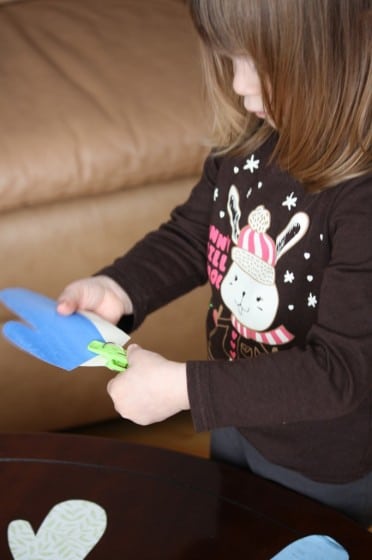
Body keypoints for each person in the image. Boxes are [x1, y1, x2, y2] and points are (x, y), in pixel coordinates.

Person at [57, 0, 372, 527]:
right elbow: (191, 234)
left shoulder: (360, 200)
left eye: (258, 63)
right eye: (230, 59)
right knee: (234, 525)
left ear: (339, 53)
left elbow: (337, 373)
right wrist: (120, 287)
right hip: (236, 415)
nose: (240, 86)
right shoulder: (249, 148)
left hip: (323, 462)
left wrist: (182, 388)